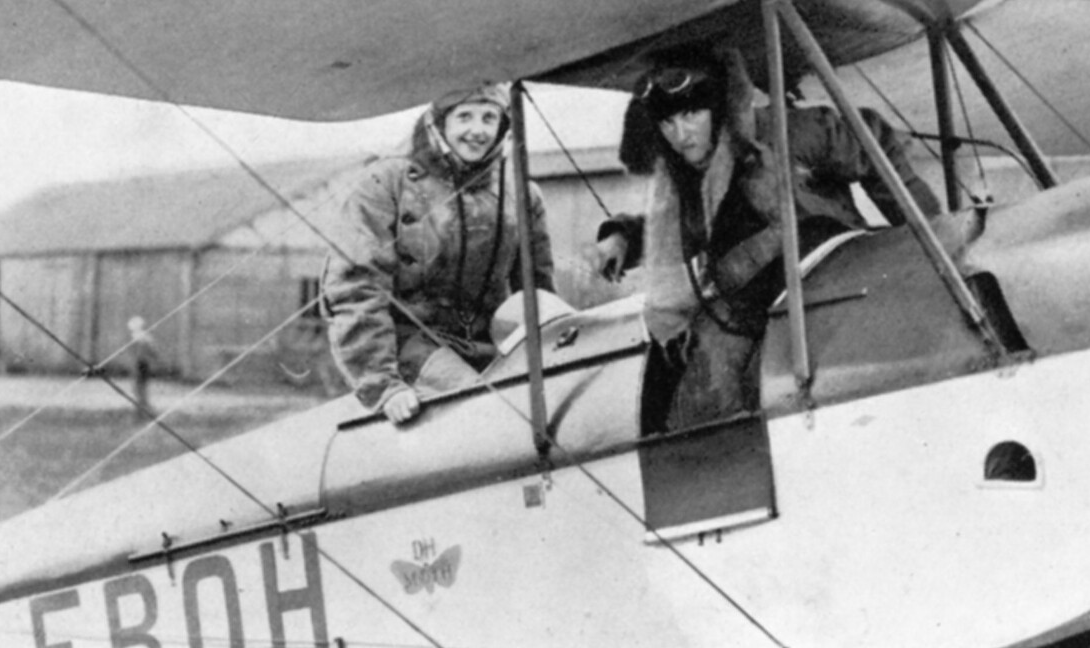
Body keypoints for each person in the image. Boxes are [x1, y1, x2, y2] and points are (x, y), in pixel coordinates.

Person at [592, 50, 939, 431]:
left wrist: (923, 238)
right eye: (668, 122)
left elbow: (873, 138)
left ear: (717, 109)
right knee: (696, 412)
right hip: (754, 305)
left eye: (692, 114)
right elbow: (676, 230)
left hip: (828, 279)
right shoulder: (690, 178)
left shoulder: (781, 133)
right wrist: (623, 236)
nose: (681, 134)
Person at [323, 81, 557, 425]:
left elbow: (538, 290)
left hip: (491, 343)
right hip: (410, 342)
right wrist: (383, 385)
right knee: (488, 414)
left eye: (489, 118)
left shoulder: (521, 192)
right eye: (465, 116)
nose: (478, 130)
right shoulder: (386, 181)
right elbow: (356, 286)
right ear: (438, 123)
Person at [124, 315, 158, 420]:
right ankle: (144, 411)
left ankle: (142, 412)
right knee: (142, 389)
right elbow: (154, 352)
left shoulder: (136, 337)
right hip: (144, 364)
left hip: (139, 364)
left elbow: (135, 353)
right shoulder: (147, 337)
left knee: (138, 389)